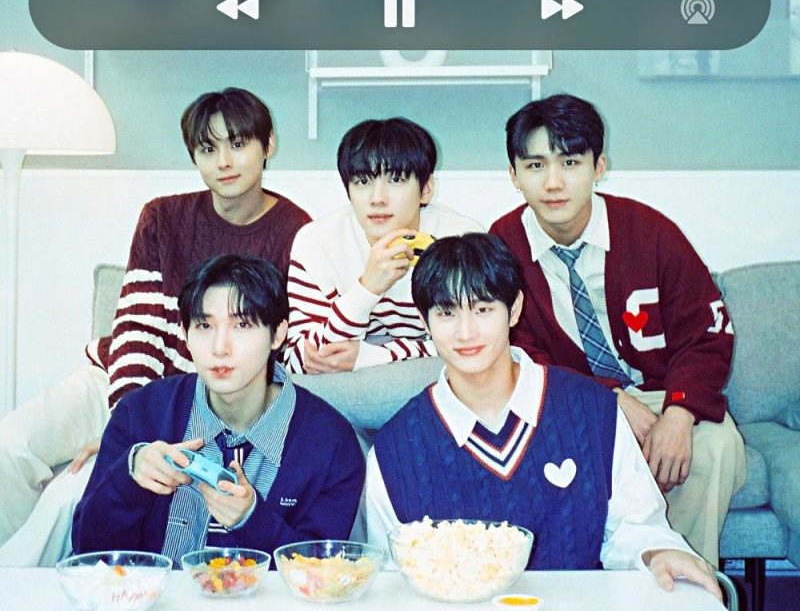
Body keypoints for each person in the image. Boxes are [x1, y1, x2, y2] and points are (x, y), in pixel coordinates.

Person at [0, 87, 310, 565]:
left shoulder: (297, 231)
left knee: (70, 493)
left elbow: (275, 350)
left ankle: (21, 583)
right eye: (208, 148)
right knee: (9, 445)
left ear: (267, 145)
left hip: (193, 399)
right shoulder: (163, 217)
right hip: (117, 378)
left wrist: (128, 447)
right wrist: (124, 430)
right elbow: (137, 330)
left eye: (238, 144)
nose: (224, 161)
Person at [366, 233, 722, 599]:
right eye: (446, 313)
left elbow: (636, 527)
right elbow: (392, 578)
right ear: (424, 321)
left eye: (483, 309)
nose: (466, 332)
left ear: (514, 309)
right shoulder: (395, 450)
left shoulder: (593, 411)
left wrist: (658, 553)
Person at [488, 94, 745, 564]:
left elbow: (706, 332)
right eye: (536, 165)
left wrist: (680, 413)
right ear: (513, 175)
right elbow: (513, 353)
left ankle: (684, 582)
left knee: (716, 444)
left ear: (599, 166)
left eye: (570, 162)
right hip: (565, 402)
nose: (553, 182)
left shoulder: (649, 231)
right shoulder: (502, 245)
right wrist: (605, 399)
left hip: (660, 395)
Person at [73, 255, 363, 557]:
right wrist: (129, 480)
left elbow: (323, 573)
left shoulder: (332, 443)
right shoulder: (140, 413)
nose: (220, 348)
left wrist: (252, 520)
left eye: (242, 324)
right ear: (185, 334)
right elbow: (87, 551)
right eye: (204, 325)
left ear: (278, 334)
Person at [283, 117, 482, 374]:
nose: (377, 199)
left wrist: (376, 356)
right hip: (341, 387)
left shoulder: (461, 240)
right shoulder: (317, 243)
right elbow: (300, 362)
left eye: (396, 179)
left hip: (436, 378)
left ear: (426, 189)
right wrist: (368, 288)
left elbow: (481, 343)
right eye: (363, 181)